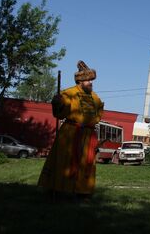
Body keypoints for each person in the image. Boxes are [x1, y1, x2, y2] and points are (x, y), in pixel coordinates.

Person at [38, 61, 104, 197]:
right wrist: (57, 103)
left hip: (88, 136)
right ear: (80, 81)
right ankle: (60, 190)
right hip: (71, 133)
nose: (91, 83)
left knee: (86, 163)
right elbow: (59, 113)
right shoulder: (68, 93)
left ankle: (83, 191)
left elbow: (99, 115)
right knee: (66, 160)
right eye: (88, 80)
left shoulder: (95, 97)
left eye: (91, 80)